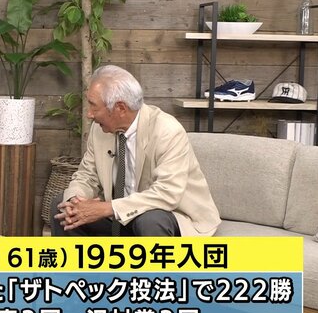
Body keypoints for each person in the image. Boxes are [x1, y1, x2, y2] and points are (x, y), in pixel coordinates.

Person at [52, 65, 220, 237]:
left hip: (168, 215)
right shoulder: (99, 129)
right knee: (63, 208)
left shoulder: (167, 130)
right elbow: (87, 175)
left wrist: (108, 208)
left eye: (93, 106)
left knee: (150, 220)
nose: (89, 114)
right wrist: (75, 201)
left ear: (120, 108)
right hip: (118, 217)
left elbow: (167, 192)